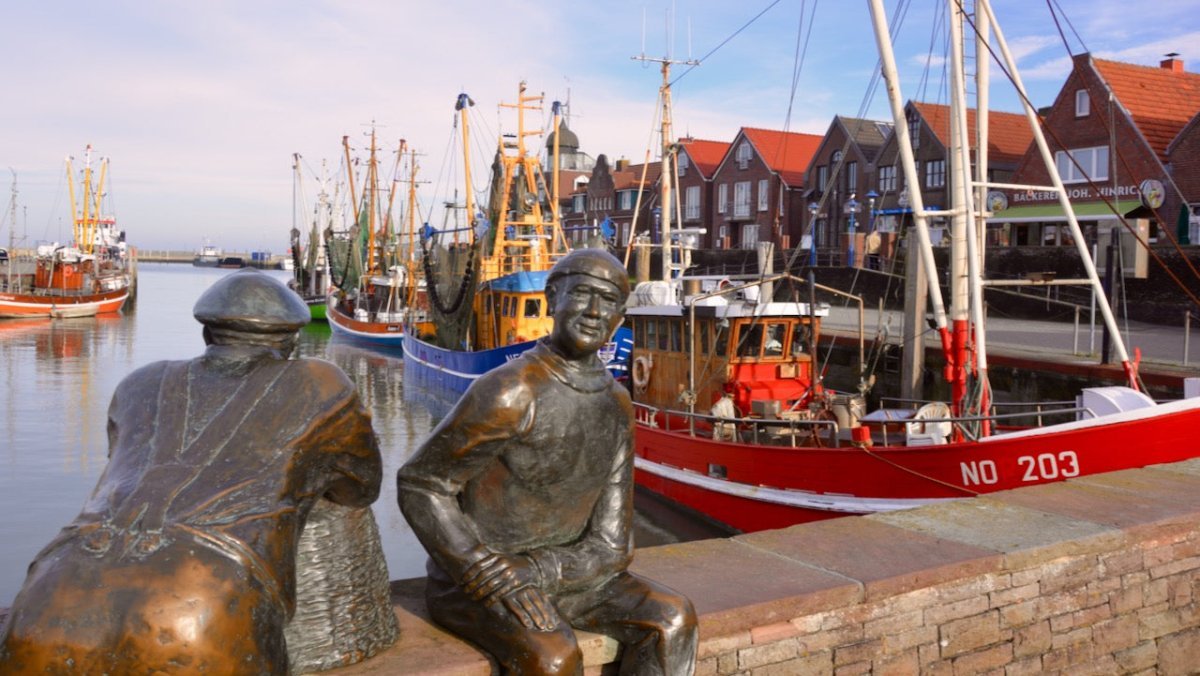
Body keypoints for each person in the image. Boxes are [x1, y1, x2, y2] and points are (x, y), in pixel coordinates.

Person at [0, 269, 384, 675]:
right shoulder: (321, 383)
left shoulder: (138, 383)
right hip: (204, 596)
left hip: (55, 587)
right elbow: (361, 487)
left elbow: (124, 464)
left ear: (206, 334)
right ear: (291, 343)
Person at [398, 248, 698, 675]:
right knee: (553, 657)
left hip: (566, 575)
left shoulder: (616, 404)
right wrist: (479, 567)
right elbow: (422, 483)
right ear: (553, 298)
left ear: (619, 317)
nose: (594, 311)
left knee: (673, 619)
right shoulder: (510, 390)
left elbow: (613, 544)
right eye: (583, 294)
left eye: (609, 301)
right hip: (487, 581)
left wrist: (544, 569)